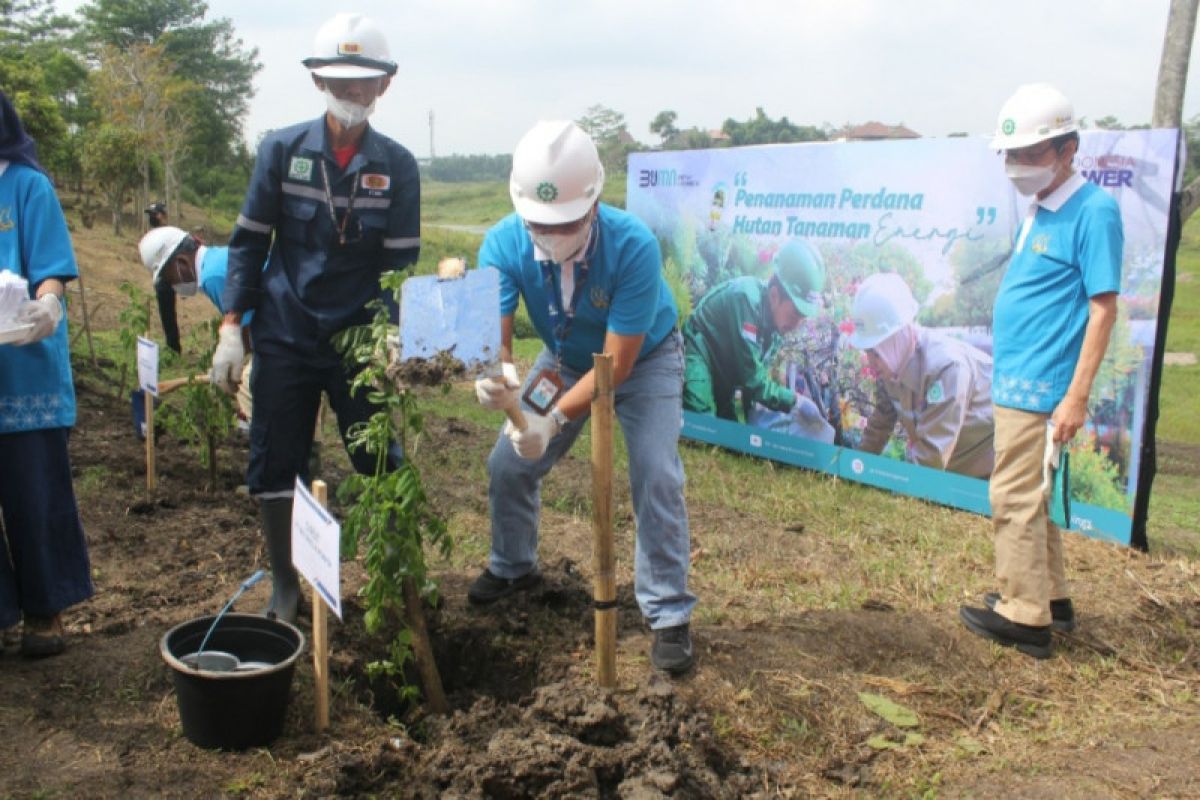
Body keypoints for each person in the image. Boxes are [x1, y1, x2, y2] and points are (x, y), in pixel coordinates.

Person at [470, 120, 697, 674]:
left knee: (654, 470)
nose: (553, 234)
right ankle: (513, 565)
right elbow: (495, 334)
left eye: (567, 222)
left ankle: (667, 613)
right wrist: (499, 382)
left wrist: (550, 422)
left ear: (594, 202)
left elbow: (616, 364)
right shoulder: (502, 243)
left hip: (645, 360)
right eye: (540, 225)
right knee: (508, 462)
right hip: (565, 356)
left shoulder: (634, 246)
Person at [215, 12, 419, 623]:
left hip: (359, 341)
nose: (351, 94)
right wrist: (231, 325)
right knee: (275, 456)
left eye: (363, 83)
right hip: (286, 329)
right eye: (338, 83)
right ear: (316, 82)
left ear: (385, 84)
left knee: (379, 457)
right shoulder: (281, 151)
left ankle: (397, 577)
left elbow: (397, 267)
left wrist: (389, 335)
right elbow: (249, 243)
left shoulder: (399, 166)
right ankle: (284, 584)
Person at [959, 84, 1122, 659]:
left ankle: (1024, 616)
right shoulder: (1039, 209)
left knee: (1012, 495)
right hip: (1017, 378)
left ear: (1067, 149)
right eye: (1010, 155)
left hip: (1042, 385)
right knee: (1032, 493)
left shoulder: (1094, 211)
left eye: (1029, 153)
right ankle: (1051, 599)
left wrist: (1076, 397)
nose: (1016, 166)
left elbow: (1102, 307)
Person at [0, 90, 94, 657]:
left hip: (23, 369)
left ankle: (44, 611)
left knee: (33, 495)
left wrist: (49, 306)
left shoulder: (26, 187)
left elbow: (50, 271)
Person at [847, 272, 994, 478]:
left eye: (875, 352)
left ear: (895, 337)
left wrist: (898, 491)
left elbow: (930, 458)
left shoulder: (947, 367)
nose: (871, 362)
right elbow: (881, 421)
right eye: (867, 352)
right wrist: (855, 469)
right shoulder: (892, 365)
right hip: (954, 468)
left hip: (988, 468)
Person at [682, 240, 835, 432]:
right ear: (774, 295)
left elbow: (753, 383)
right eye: (795, 313)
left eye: (802, 318)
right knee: (702, 423)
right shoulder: (746, 299)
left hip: (726, 371)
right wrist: (795, 400)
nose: (796, 324)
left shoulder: (778, 326)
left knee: (732, 435)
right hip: (700, 352)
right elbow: (753, 380)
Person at [137, 226, 255, 421]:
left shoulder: (213, 277)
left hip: (293, 329)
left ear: (182, 262)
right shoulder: (217, 259)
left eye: (169, 279)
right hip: (293, 322)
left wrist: (228, 362)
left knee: (251, 388)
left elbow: (253, 329)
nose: (173, 287)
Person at [144, 202, 183, 354]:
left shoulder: (170, 234)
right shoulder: (152, 236)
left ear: (163, 216)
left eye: (155, 214)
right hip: (160, 279)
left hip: (172, 277)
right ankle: (172, 347)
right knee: (166, 314)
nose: (153, 217)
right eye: (151, 214)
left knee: (168, 314)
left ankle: (174, 348)